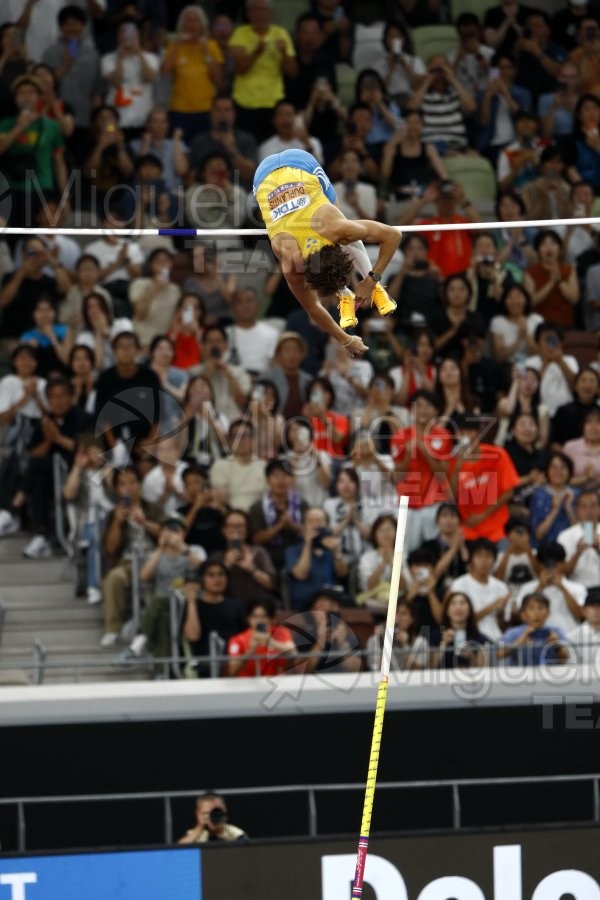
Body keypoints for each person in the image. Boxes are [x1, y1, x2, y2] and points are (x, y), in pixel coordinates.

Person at [253, 147, 401, 357]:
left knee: (345, 227)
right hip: (279, 169)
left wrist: (371, 280)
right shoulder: (309, 245)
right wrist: (346, 340)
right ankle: (346, 294)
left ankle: (376, 290)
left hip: (283, 169)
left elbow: (394, 235)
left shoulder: (302, 248)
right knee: (346, 229)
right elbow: (313, 308)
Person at [160, 5, 224, 142]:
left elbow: (218, 79)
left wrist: (205, 50)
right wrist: (177, 44)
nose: (191, 25)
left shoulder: (211, 46)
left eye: (195, 21)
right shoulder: (174, 46)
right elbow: (164, 72)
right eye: (188, 20)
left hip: (205, 109)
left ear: (202, 24)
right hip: (179, 109)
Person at [182, 560, 246, 677]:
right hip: (204, 668)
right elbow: (192, 636)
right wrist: (191, 601)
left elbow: (245, 637)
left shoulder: (236, 605)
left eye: (221, 574)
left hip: (234, 665)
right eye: (211, 575)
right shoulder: (194, 606)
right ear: (202, 580)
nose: (217, 579)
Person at [513, 542, 586, 635]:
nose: (551, 568)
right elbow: (521, 617)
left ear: (563, 563)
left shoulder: (577, 587)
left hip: (569, 636)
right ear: (540, 564)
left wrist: (562, 587)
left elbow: (580, 615)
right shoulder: (527, 588)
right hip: (536, 638)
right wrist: (540, 587)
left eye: (555, 565)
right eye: (546, 564)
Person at [285, 506, 348, 611]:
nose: (315, 525)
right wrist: (308, 544)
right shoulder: (293, 550)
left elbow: (343, 573)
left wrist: (336, 551)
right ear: (303, 526)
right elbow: (301, 575)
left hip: (333, 602)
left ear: (327, 525)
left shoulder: (332, 548)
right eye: (310, 521)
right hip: (306, 605)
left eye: (319, 521)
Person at [450, 539, 510, 642]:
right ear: (471, 559)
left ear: (494, 560)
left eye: (488, 556)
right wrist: (491, 607)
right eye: (479, 556)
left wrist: (501, 613)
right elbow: (459, 621)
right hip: (469, 640)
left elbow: (505, 624)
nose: (484, 561)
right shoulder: (459, 585)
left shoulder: (501, 587)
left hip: (496, 638)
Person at [227, 597, 296, 677]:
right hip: (247, 685)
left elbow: (294, 651)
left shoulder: (280, 632)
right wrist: (250, 651)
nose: (259, 621)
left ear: (272, 619)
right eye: (255, 617)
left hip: (276, 684)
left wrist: (271, 642)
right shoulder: (237, 639)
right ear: (248, 619)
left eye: (264, 617)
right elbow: (232, 671)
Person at [498, 592, 570, 666]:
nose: (537, 613)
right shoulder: (513, 633)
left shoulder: (556, 632)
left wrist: (556, 646)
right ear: (523, 615)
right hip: (520, 675)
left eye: (541, 608)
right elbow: (498, 654)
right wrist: (519, 643)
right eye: (531, 608)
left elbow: (565, 659)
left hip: (549, 675)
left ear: (548, 613)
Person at [429, 592, 490, 670]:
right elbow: (429, 668)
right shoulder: (435, 636)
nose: (458, 608)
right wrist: (443, 644)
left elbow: (484, 672)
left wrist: (471, 657)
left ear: (470, 610)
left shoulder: (480, 638)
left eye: (463, 603)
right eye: (453, 603)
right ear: (447, 611)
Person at [366, 599, 429, 672]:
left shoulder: (420, 642)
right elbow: (376, 668)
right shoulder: (374, 640)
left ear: (412, 619)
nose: (398, 617)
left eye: (403, 613)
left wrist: (404, 646)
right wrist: (381, 640)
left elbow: (418, 669)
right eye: (394, 613)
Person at [558, 489, 600, 588]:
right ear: (577, 510)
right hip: (577, 589)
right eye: (584, 507)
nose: (589, 511)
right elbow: (562, 573)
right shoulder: (565, 536)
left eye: (593, 506)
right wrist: (577, 553)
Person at [178, 792, 248, 844]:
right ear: (198, 814)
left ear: (225, 811)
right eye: (206, 813)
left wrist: (220, 833)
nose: (211, 816)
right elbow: (177, 852)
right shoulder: (193, 835)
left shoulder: (236, 834)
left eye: (216, 812)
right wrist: (199, 827)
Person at [567, 585, 600, 665]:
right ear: (584, 610)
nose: (597, 610)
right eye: (592, 606)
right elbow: (572, 665)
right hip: (585, 676)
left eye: (599, 606)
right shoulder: (572, 636)